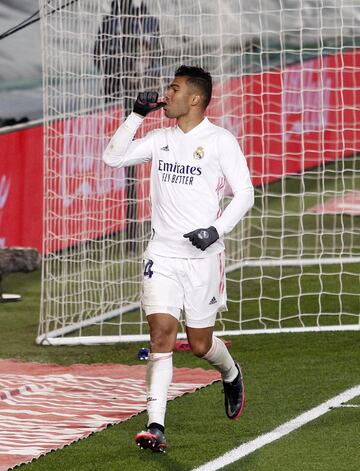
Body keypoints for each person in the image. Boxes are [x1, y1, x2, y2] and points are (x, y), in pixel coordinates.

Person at [103, 65, 254, 453]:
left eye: (174, 89)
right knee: (160, 337)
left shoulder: (220, 141)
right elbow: (112, 159)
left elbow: (245, 194)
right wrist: (136, 114)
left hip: (203, 258)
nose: (165, 95)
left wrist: (215, 231)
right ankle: (155, 425)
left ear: (195, 99)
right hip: (163, 254)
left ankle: (230, 371)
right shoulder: (159, 138)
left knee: (200, 344)